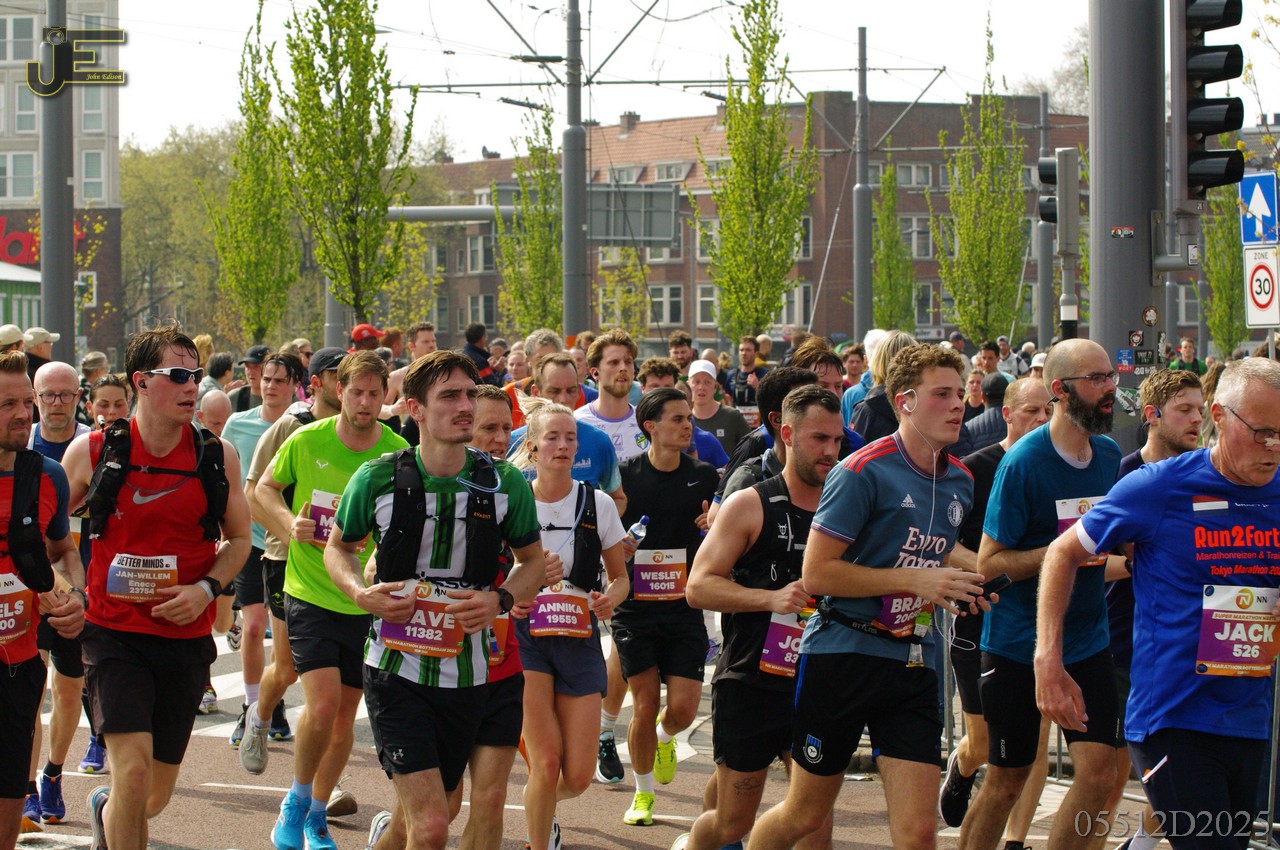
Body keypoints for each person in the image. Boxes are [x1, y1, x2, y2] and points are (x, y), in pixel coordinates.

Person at [1035, 357, 1280, 849]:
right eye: (1262, 433)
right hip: (1173, 718)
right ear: (1220, 416)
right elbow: (1063, 552)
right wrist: (1048, 659)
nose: (1273, 446)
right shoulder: (1159, 486)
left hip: (1250, 717)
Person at [748, 342, 981, 850]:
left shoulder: (961, 479)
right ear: (905, 402)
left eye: (960, 393)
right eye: (942, 394)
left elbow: (932, 545)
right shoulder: (862, 470)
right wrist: (915, 580)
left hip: (914, 660)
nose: (957, 404)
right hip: (843, 654)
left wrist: (974, 579)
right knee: (804, 815)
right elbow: (816, 574)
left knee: (919, 834)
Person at [326, 350, 546, 850]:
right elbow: (339, 548)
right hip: (395, 670)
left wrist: (500, 599)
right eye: (449, 396)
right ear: (415, 409)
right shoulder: (377, 477)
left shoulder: (505, 482)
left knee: (431, 817)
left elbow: (532, 562)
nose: (465, 405)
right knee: (431, 827)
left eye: (469, 394)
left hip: (471, 675)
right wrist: (361, 594)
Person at [61, 325, 253, 850]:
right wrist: (67, 587)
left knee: (152, 797)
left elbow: (239, 540)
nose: (192, 386)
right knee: (132, 773)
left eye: (195, 375)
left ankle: (107, 810)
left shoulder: (217, 456)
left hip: (184, 640)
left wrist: (206, 590)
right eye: (177, 375)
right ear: (141, 381)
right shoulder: (94, 451)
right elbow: (50, 534)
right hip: (112, 634)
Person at [958, 339, 1123, 850]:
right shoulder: (1024, 463)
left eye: (1111, 377)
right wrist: (1063, 552)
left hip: (1088, 640)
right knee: (1008, 780)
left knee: (1100, 774)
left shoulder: (1109, 455)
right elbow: (989, 563)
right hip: (1017, 645)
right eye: (1096, 379)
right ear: (1061, 389)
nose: (1110, 388)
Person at [241, 350, 407, 850]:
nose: (365, 403)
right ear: (340, 391)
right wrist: (289, 524)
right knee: (324, 703)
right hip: (309, 589)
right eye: (356, 392)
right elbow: (263, 490)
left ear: (385, 395)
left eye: (374, 394)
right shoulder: (307, 439)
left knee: (343, 718)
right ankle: (294, 804)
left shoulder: (397, 452)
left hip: (363, 599)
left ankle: (315, 815)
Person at [677, 385, 844, 850]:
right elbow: (698, 587)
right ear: (786, 434)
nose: (831, 451)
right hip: (752, 680)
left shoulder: (847, 506)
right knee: (732, 824)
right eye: (819, 439)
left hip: (820, 680)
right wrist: (770, 599)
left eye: (837, 440)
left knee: (812, 822)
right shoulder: (750, 503)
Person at [1090, 369, 1203, 850]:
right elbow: (1084, 558)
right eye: (1185, 409)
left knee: (1186, 766)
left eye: (1201, 410)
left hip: (1187, 643)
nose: (1197, 419)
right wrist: (1141, 560)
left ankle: (1140, 842)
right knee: (1112, 774)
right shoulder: (1124, 475)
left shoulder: (1207, 476)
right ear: (1152, 415)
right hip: (1125, 638)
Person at [511, 396, 630, 850]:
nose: (563, 446)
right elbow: (493, 572)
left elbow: (620, 579)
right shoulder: (515, 501)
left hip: (579, 636)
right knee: (545, 763)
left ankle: (540, 805)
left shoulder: (597, 503)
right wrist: (513, 592)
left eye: (570, 438)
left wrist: (608, 599)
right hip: (528, 637)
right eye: (552, 438)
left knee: (577, 776)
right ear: (533, 448)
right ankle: (538, 840)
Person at [939, 377, 1053, 838]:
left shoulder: (1056, 469)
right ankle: (963, 765)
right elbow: (942, 542)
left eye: (1049, 411)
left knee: (1036, 743)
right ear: (1006, 414)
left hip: (1039, 620)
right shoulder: (973, 470)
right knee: (985, 743)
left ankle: (1015, 840)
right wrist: (993, 569)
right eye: (1032, 411)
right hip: (980, 620)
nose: (1042, 420)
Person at [243, 347, 348, 814]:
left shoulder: (364, 432)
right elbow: (253, 492)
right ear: (318, 383)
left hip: (343, 566)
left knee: (332, 690)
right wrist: (291, 530)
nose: (345, 385)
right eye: (337, 376)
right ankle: (259, 715)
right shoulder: (292, 427)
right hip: (288, 559)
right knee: (287, 670)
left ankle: (320, 787)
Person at [613, 388, 718, 827]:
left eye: (689, 418)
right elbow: (604, 538)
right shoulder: (624, 477)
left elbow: (724, 534)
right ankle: (643, 795)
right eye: (677, 418)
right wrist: (620, 547)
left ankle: (664, 736)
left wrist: (713, 524)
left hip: (683, 605)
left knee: (684, 710)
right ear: (650, 427)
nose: (687, 425)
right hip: (635, 608)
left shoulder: (705, 477)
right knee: (642, 703)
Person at [0, 351, 86, 850]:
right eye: (6, 404)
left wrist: (74, 596)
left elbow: (63, 550)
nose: (21, 414)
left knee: (10, 802)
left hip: (19, 663)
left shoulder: (48, 476)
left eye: (24, 403)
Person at [221, 353, 306, 754]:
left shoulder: (304, 426)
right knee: (253, 627)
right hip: (247, 539)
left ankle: (274, 701)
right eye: (266, 378)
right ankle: (251, 705)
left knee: (284, 636)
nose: (269, 386)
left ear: (295, 386)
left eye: (279, 380)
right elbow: (229, 481)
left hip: (285, 545)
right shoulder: (237, 424)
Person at [20, 361, 91, 830]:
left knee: (67, 693)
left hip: (75, 587)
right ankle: (26, 788)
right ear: (36, 398)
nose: (57, 403)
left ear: (78, 397)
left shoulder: (93, 447)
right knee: (29, 691)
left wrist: (78, 590)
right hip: (29, 589)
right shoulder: (21, 446)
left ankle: (53, 772)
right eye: (48, 395)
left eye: (67, 394)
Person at [574, 329, 646, 463]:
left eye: (628, 362)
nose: (623, 368)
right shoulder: (576, 423)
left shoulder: (647, 424)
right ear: (595, 373)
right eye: (614, 362)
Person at [689, 360, 750, 457]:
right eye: (696, 382)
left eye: (707, 382)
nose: (701, 387)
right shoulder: (684, 420)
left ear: (715, 387)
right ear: (688, 385)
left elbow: (750, 450)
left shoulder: (732, 416)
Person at [722, 336, 769, 428]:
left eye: (748, 350)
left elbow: (771, 401)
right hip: (736, 426)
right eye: (741, 350)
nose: (744, 353)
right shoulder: (731, 375)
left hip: (758, 428)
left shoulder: (764, 374)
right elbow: (726, 401)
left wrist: (758, 387)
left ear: (756, 354)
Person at [229, 345, 270, 413]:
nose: (251, 372)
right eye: (247, 367)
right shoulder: (235, 398)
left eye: (256, 367)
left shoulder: (278, 398)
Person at [461, 322, 502, 387]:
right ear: (482, 338)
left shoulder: (462, 355)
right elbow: (492, 385)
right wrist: (500, 371)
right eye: (486, 336)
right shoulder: (479, 361)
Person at [77, 352, 110, 427]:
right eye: (107, 370)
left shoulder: (76, 384)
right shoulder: (87, 392)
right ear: (98, 372)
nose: (108, 373)